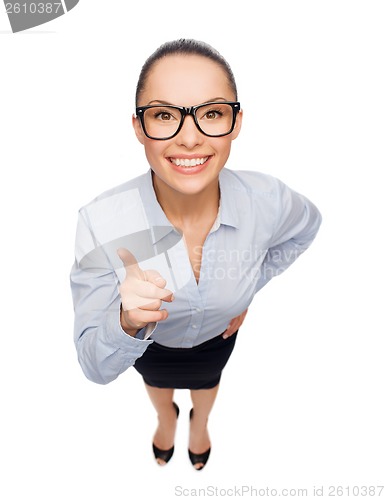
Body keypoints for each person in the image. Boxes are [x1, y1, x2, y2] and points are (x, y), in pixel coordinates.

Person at [70, 38, 322, 470]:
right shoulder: (101, 222)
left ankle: (200, 422)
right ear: (138, 127)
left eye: (211, 113)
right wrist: (128, 322)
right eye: (165, 115)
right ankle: (165, 418)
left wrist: (250, 288)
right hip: (151, 350)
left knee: (208, 383)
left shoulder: (269, 199)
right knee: (157, 385)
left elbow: (304, 231)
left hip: (217, 340)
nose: (190, 139)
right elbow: (95, 365)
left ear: (236, 121)